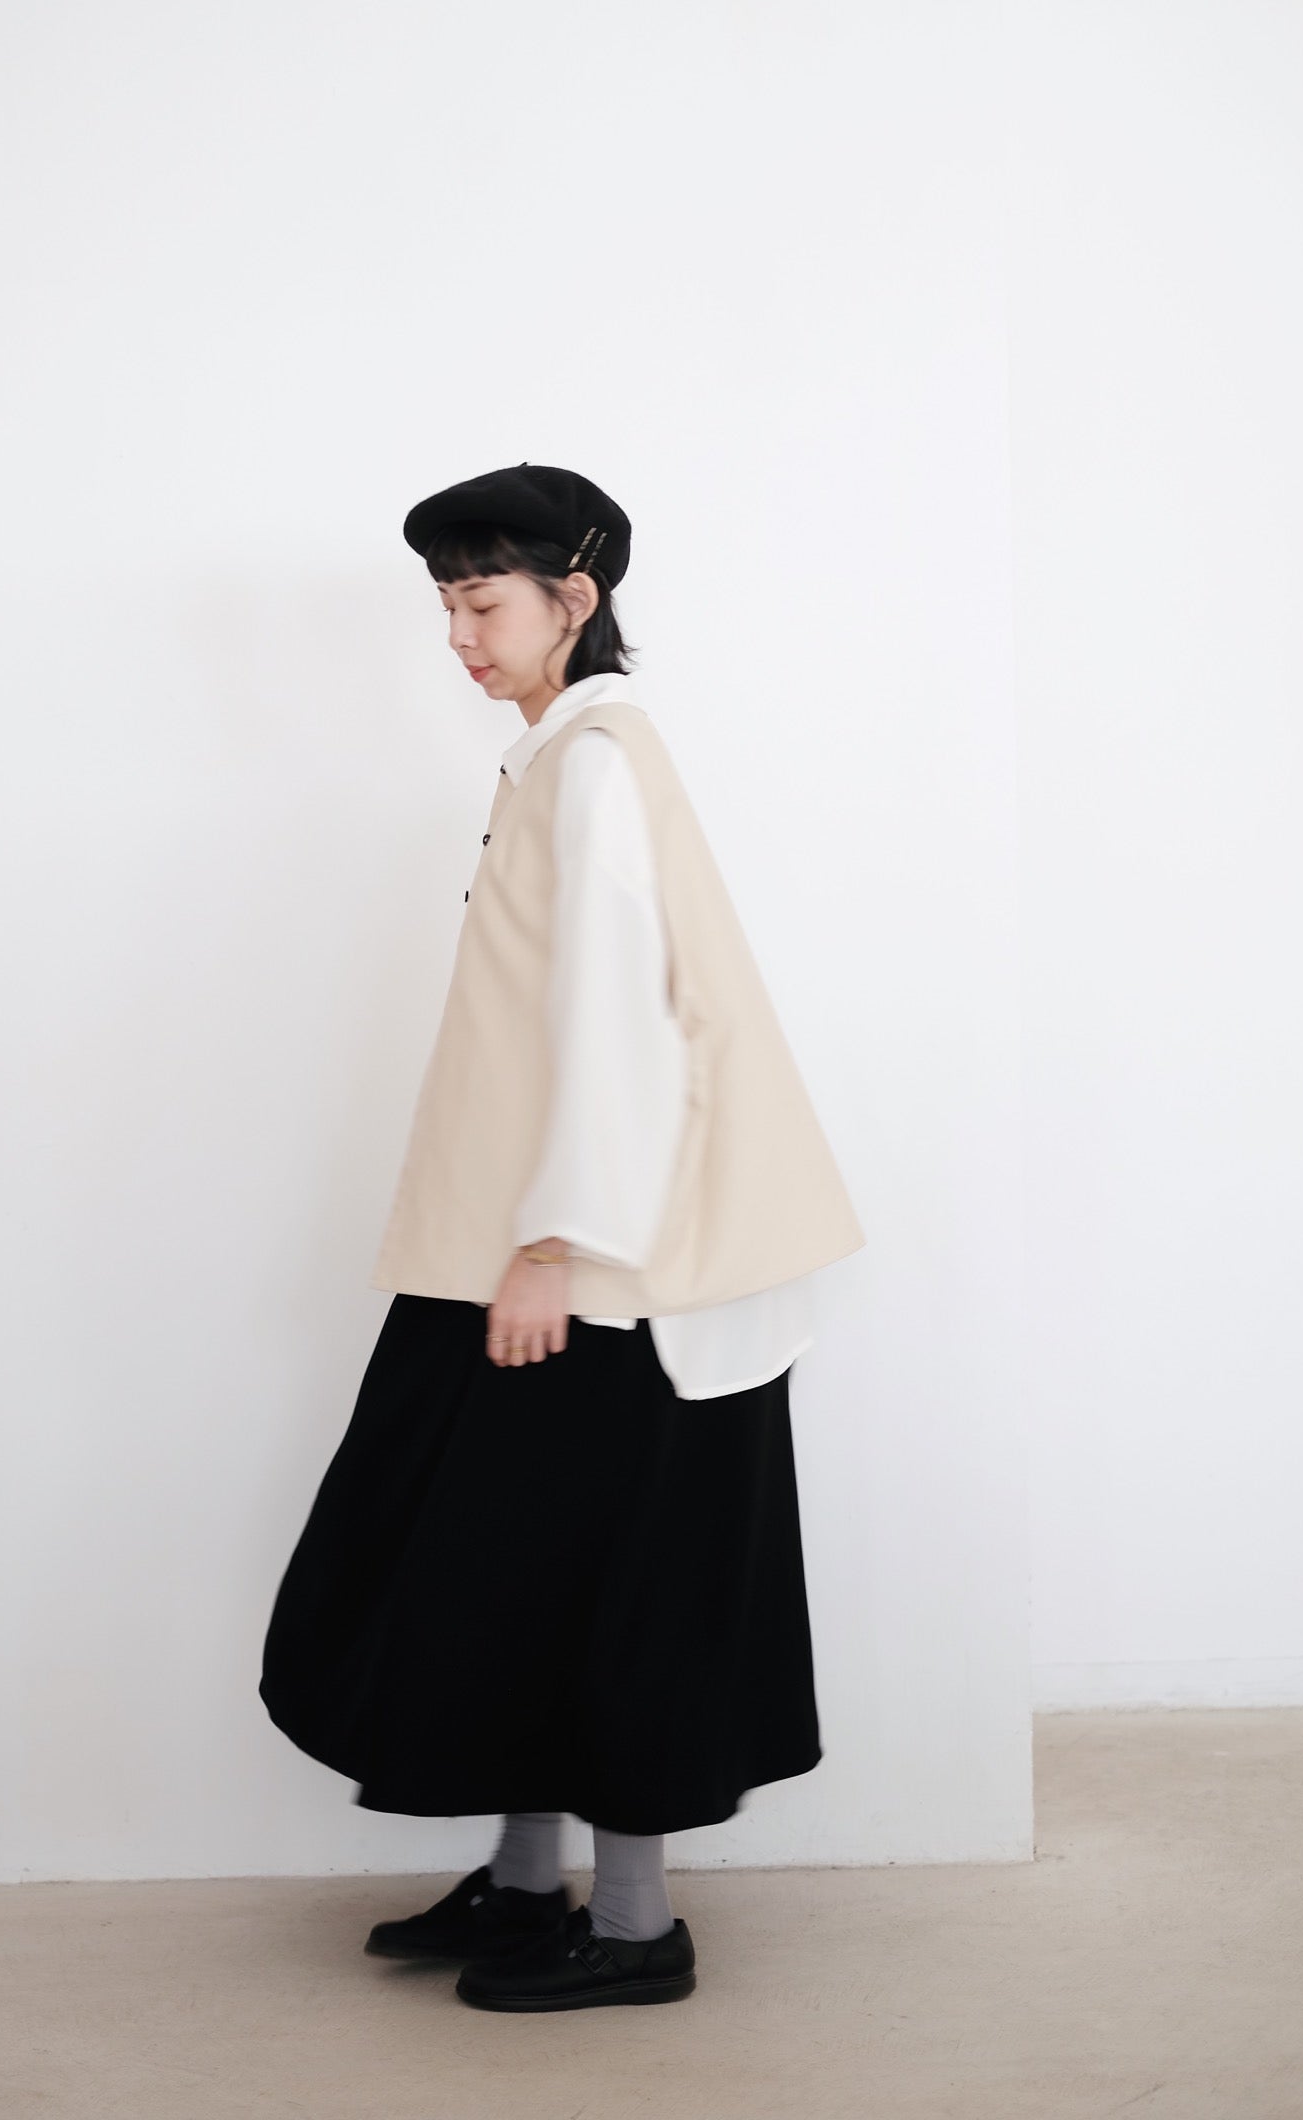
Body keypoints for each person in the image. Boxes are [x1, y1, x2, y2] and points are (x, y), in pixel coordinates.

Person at [259, 461, 866, 2014]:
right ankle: (530, 1887)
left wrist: (557, 1244)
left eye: (482, 602)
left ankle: (637, 1925)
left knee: (612, 1588)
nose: (458, 637)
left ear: (574, 599)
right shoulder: (557, 760)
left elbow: (621, 1024)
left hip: (613, 1276)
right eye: (446, 607)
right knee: (500, 1568)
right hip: (534, 1251)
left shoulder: (594, 766)